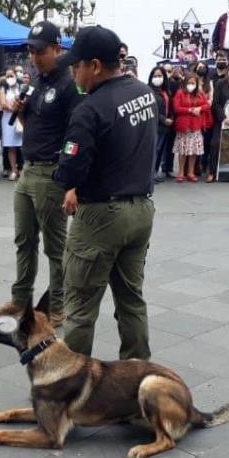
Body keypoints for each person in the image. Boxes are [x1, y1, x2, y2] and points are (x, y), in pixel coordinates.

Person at [52, 25, 157, 360]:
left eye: (76, 65)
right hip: (141, 209)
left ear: (95, 65)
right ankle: (138, 380)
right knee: (131, 301)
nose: (73, 72)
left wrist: (63, 178)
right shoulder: (144, 93)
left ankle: (69, 388)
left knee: (80, 305)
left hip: (101, 216)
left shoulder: (90, 108)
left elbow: (70, 169)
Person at [0, 21, 81, 326]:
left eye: (39, 51)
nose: (33, 56)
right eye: (30, 49)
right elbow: (33, 129)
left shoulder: (69, 86)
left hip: (52, 173)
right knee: (23, 240)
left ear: (57, 49)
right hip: (28, 171)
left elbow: (75, 136)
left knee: (56, 249)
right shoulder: (38, 82)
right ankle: (20, 301)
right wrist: (24, 112)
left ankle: (57, 308)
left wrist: (71, 182)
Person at [172, 72, 210, 183]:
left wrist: (199, 108)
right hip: (184, 126)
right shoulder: (180, 93)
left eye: (193, 83)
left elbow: (207, 105)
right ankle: (180, 173)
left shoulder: (200, 93)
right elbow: (176, 108)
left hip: (196, 126)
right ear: (184, 83)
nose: (191, 85)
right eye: (189, 83)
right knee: (183, 151)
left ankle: (190, 172)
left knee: (193, 151)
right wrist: (189, 110)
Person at [148, 66, 173, 184]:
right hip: (155, 125)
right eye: (155, 76)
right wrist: (164, 120)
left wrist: (171, 118)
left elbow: (171, 108)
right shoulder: (149, 91)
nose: (157, 78)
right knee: (154, 150)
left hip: (165, 127)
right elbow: (153, 110)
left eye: (159, 76)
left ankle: (155, 172)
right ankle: (150, 175)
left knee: (160, 150)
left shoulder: (166, 91)